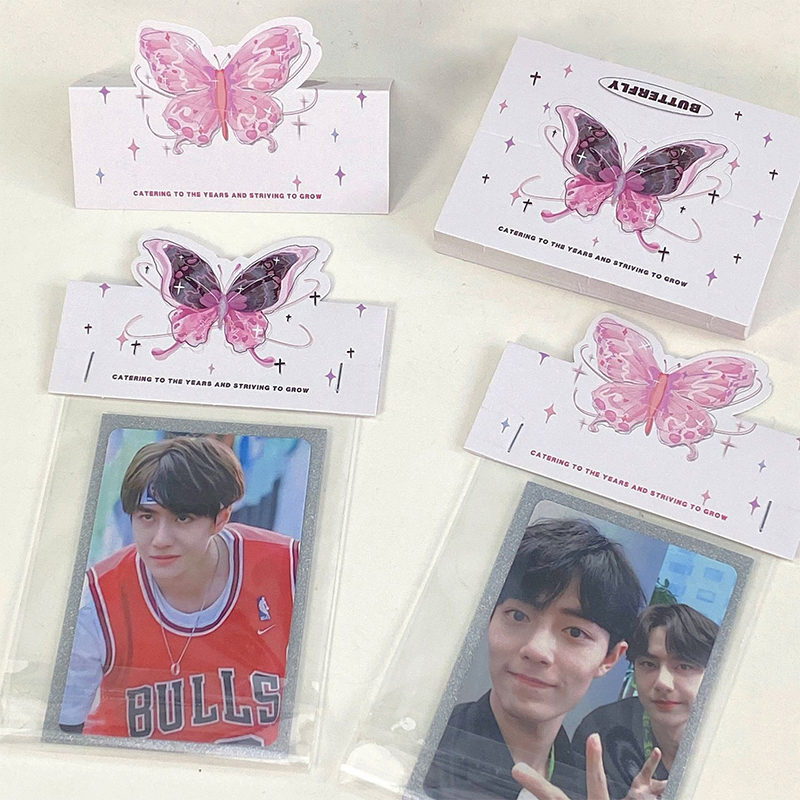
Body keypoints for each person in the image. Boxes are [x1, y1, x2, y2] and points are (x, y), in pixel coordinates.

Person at [59, 435, 300, 746]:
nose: (160, 539)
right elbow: (62, 734)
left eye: (182, 518)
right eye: (147, 516)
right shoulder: (96, 600)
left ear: (221, 519)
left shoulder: (289, 568)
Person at [423, 518, 645, 800]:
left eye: (575, 632)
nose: (537, 650)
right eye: (518, 615)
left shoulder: (593, 791)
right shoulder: (419, 746)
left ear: (610, 658)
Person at [571, 604, 719, 798]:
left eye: (684, 666)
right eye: (648, 664)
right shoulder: (603, 730)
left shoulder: (735, 742)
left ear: (715, 673)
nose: (662, 683)